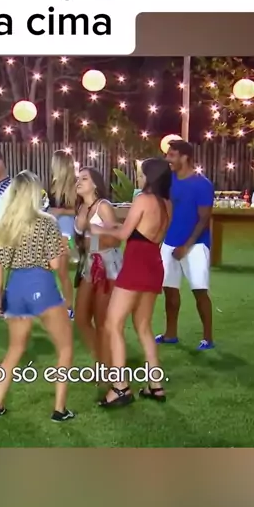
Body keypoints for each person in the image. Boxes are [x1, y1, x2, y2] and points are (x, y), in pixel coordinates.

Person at [0, 170, 74, 422]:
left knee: (14, 350)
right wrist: (64, 255)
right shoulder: (46, 222)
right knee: (65, 348)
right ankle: (59, 410)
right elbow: (56, 264)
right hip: (41, 286)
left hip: (16, 288)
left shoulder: (4, 223)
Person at [91, 158, 172, 406]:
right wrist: (114, 225)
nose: (139, 177)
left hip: (136, 265)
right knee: (143, 326)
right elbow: (140, 230)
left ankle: (120, 387)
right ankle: (155, 386)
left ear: (150, 176)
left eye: (141, 173)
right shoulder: (167, 203)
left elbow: (125, 234)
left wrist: (99, 230)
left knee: (113, 323)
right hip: (154, 264)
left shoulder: (142, 199)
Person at [156, 140, 215, 350]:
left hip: (196, 245)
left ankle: (207, 338)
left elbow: (204, 219)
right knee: (170, 291)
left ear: (185, 157)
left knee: (199, 291)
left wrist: (186, 246)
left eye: (172, 155)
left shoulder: (202, 184)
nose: (168, 159)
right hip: (169, 242)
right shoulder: (168, 181)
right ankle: (170, 334)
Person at [74, 166, 122, 367]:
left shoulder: (103, 206)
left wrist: (91, 241)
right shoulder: (81, 208)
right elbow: (81, 239)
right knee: (81, 318)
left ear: (95, 184)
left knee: (102, 321)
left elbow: (116, 240)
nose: (78, 182)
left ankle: (107, 369)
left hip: (107, 265)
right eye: (78, 178)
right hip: (89, 264)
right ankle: (102, 361)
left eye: (84, 178)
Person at [47, 149, 77, 316]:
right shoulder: (54, 184)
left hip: (66, 228)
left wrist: (61, 212)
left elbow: (80, 210)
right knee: (52, 268)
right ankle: (58, 303)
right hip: (53, 226)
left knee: (62, 270)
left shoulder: (75, 185)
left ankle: (69, 307)